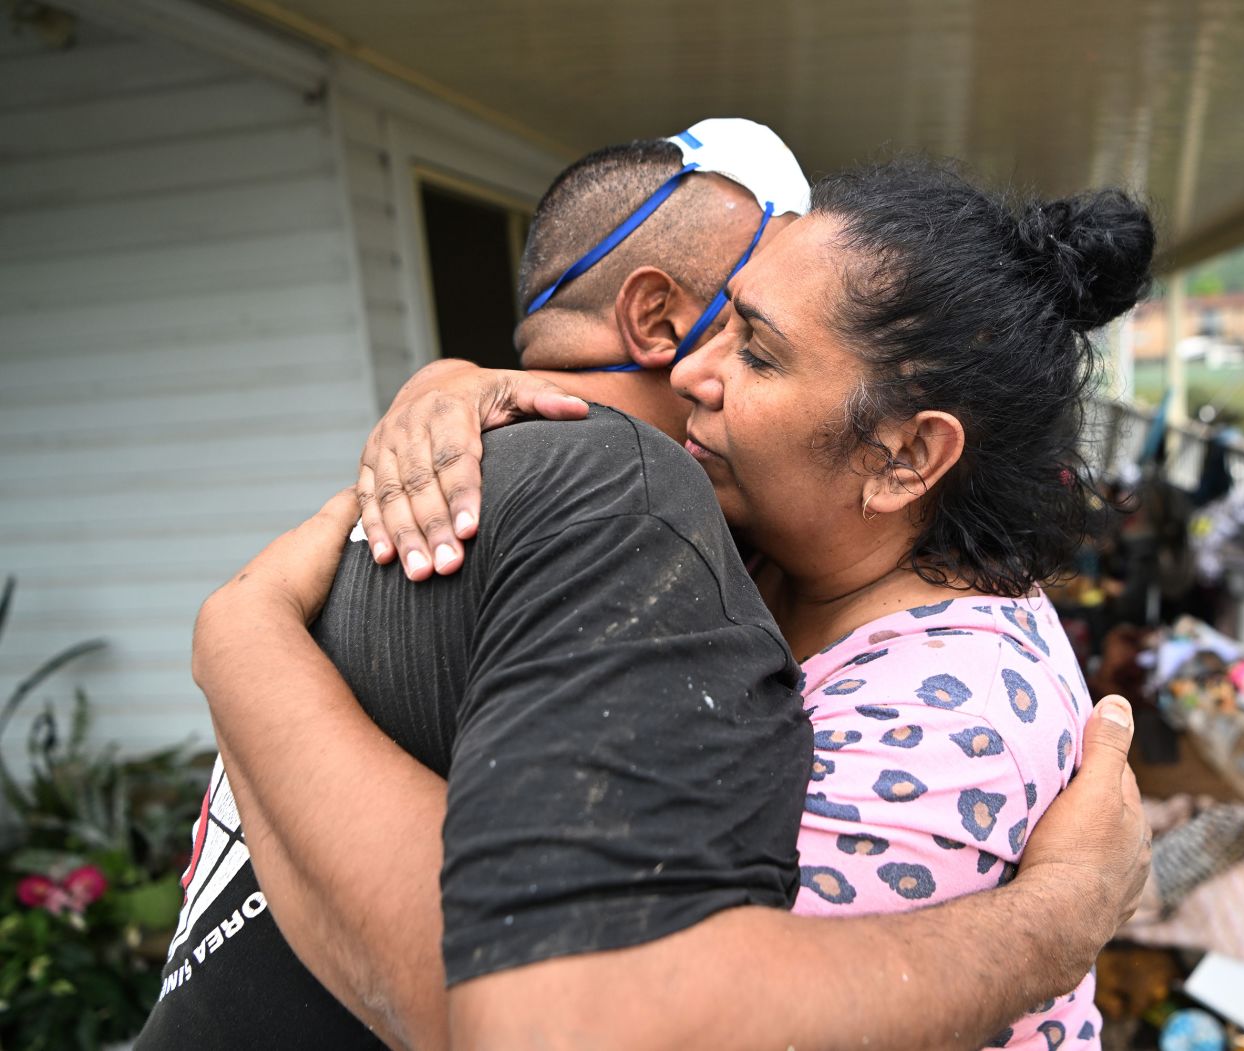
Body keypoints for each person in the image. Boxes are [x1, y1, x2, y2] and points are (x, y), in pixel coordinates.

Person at [163, 128, 1152, 1050]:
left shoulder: (950, 720)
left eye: (756, 349)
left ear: (903, 456)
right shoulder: (795, 550)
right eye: (717, 322)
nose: (689, 365)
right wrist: (449, 385)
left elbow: (580, 1009)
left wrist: (245, 639)